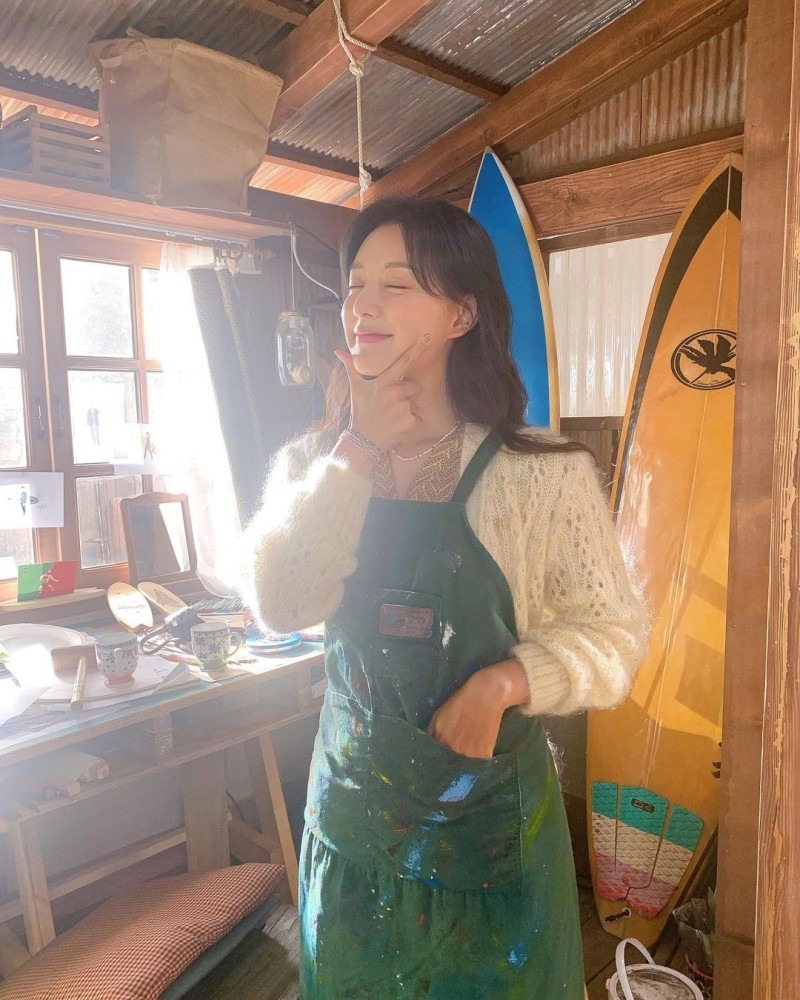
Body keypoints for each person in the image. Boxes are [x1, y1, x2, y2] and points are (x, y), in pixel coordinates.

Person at [243, 197, 647, 999]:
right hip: (352, 830)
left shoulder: (542, 476)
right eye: (355, 285)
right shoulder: (311, 466)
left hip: (487, 836)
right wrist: (357, 449)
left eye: (396, 285)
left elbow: (613, 636)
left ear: (462, 313)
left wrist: (504, 683)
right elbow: (282, 604)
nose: (363, 305)